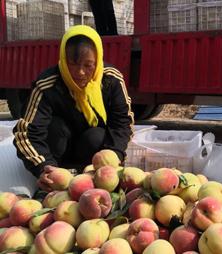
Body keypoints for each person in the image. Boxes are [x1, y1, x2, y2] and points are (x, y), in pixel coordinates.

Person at [13, 25, 134, 192]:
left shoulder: (111, 79)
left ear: (98, 60)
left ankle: (89, 181)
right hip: (58, 157)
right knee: (55, 129)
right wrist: (43, 167)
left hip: (91, 155)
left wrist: (115, 155)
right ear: (63, 59)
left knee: (97, 136)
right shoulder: (47, 85)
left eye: (88, 65)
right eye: (73, 64)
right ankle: (56, 185)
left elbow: (122, 123)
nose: (81, 72)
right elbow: (26, 133)